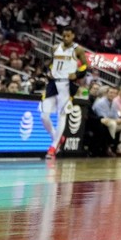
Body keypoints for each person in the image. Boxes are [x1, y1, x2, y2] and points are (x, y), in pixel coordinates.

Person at [39, 27, 86, 160]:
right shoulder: (55, 48)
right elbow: (52, 63)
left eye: (68, 36)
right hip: (53, 83)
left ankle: (53, 147)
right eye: (63, 36)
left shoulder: (78, 49)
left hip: (66, 84)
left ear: (73, 36)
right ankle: (57, 137)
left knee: (61, 115)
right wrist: (49, 71)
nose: (65, 38)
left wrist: (76, 74)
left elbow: (85, 66)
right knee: (44, 116)